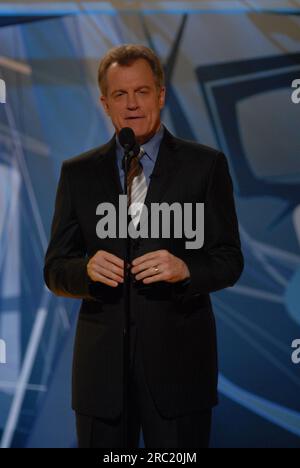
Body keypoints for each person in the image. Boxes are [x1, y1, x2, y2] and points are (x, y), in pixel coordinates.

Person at [44, 44, 244, 448]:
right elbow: (55, 268)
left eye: (142, 92)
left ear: (161, 95)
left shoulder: (205, 166)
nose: (132, 104)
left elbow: (228, 259)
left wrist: (186, 269)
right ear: (104, 103)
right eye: (120, 94)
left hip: (180, 373)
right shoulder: (78, 174)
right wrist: (83, 272)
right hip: (101, 379)